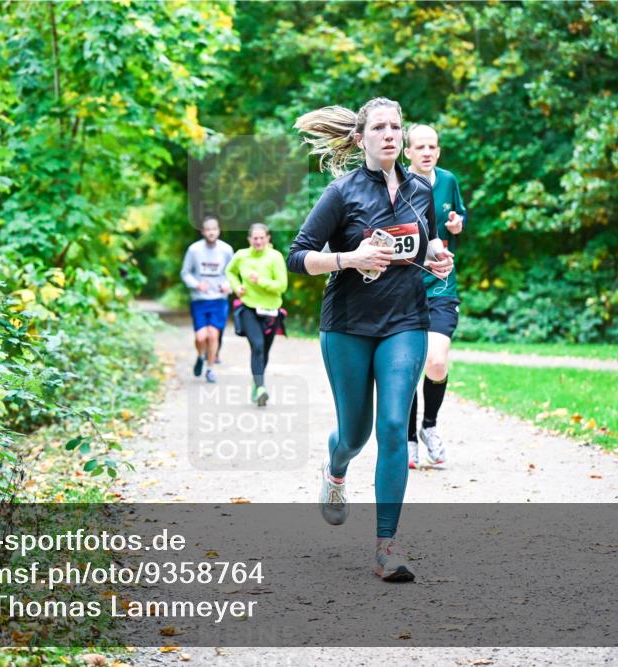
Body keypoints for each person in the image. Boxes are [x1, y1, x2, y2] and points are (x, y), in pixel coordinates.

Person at [288, 98, 453, 582]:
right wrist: (349, 258)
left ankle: (387, 547)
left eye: (395, 127)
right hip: (347, 327)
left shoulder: (422, 190)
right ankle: (335, 470)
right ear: (360, 139)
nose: (389, 134)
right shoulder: (342, 193)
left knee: (394, 425)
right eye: (379, 127)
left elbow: (425, 244)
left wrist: (438, 259)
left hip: (405, 322)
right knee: (355, 434)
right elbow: (297, 256)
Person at [403, 124, 468, 469]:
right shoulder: (396, 183)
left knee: (437, 362)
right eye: (420, 147)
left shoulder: (448, 180)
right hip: (404, 287)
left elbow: (458, 215)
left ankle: (429, 426)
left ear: (438, 151)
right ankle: (408, 439)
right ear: (407, 152)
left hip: (442, 285)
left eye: (432, 147)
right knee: (408, 367)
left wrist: (457, 223)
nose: (427, 152)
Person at [226, 223, 288, 407]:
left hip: (271, 310)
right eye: (255, 238)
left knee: (264, 352)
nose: (258, 241)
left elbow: (281, 286)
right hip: (249, 307)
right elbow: (229, 271)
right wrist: (237, 287)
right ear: (249, 239)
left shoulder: (275, 257)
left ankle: (256, 383)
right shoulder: (241, 255)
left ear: (268, 238)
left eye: (262, 238)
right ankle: (261, 388)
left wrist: (259, 281)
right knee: (258, 346)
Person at [180, 215, 234, 383]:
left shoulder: (226, 250)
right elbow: (185, 273)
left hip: (219, 299)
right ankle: (200, 356)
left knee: (212, 335)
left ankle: (210, 368)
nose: (211, 233)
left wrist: (227, 285)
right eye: (208, 230)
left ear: (219, 231)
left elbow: (233, 272)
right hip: (199, 299)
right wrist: (196, 284)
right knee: (200, 337)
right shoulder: (194, 250)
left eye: (214, 229)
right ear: (202, 231)